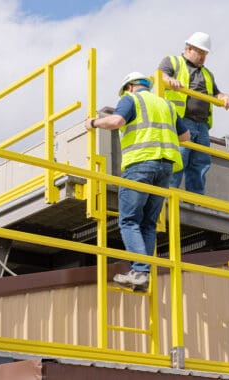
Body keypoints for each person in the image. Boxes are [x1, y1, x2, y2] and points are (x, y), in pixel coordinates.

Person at [85, 72, 190, 291]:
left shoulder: (131, 99)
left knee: (129, 220)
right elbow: (185, 136)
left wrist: (93, 122)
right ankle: (143, 272)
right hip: (166, 168)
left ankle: (141, 271)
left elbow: (116, 121)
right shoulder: (166, 105)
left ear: (130, 87)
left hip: (141, 165)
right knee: (148, 223)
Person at [158, 31, 229, 195]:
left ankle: (196, 200)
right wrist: (169, 80)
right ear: (188, 48)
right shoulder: (173, 61)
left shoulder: (207, 73)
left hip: (202, 125)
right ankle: (168, 196)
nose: (202, 57)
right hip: (181, 121)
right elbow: (159, 77)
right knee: (178, 159)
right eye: (200, 52)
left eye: (205, 54)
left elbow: (216, 93)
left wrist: (225, 96)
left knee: (201, 163)